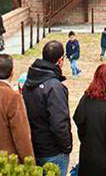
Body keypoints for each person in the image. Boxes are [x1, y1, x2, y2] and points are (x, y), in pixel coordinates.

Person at [23, 40, 73, 176]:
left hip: (34, 147)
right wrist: (67, 146)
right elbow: (59, 123)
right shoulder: (54, 87)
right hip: (53, 152)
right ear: (60, 60)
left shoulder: (28, 83)